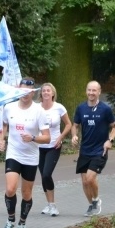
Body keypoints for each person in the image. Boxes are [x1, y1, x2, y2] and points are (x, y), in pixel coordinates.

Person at [0, 77, 50, 228]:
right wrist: (1, 139)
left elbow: (47, 138)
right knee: (10, 189)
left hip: (30, 157)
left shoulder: (39, 111)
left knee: (26, 193)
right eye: (22, 90)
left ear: (33, 93)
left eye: (28, 91)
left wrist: (33, 138)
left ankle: (22, 223)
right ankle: (11, 219)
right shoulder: (9, 107)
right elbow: (3, 125)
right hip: (13, 153)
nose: (25, 94)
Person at [71, 81, 115, 216]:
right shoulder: (81, 108)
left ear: (99, 92)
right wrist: (74, 136)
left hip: (100, 150)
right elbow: (75, 125)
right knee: (85, 181)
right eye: (89, 90)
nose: (91, 93)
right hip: (85, 150)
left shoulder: (105, 109)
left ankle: (96, 200)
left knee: (90, 178)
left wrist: (110, 140)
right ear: (86, 91)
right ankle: (91, 205)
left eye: (94, 90)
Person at [37, 82, 73, 217]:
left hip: (54, 146)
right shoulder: (36, 108)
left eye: (48, 90)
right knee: (43, 176)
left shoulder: (59, 108)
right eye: (44, 90)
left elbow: (68, 124)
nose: (46, 92)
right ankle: (49, 204)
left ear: (53, 93)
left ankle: (53, 205)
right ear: (41, 93)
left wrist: (60, 137)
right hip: (39, 146)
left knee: (47, 174)